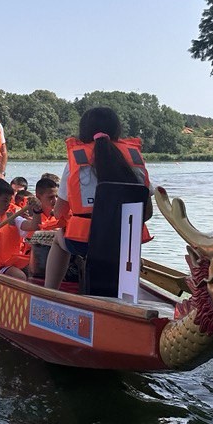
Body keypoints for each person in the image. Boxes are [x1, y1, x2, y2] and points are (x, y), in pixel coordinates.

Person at [44, 107, 153, 290]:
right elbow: (147, 213)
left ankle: (48, 292)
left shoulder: (76, 161)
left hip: (85, 242)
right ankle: (129, 293)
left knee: (58, 239)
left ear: (84, 131)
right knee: (127, 248)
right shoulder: (135, 160)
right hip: (126, 241)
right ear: (117, 130)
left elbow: (59, 212)